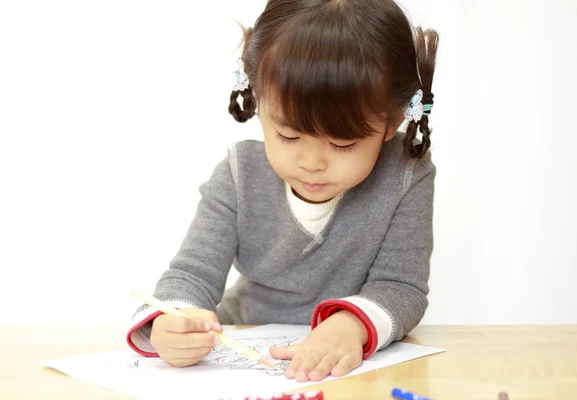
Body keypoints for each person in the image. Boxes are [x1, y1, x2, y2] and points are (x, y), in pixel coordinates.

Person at [127, 0, 439, 383]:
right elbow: (192, 275)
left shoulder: (406, 177)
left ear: (392, 123)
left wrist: (351, 326)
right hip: (242, 358)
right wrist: (173, 321)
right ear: (259, 103)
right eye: (288, 135)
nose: (312, 162)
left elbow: (401, 286)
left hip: (355, 370)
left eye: (342, 144)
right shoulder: (240, 175)